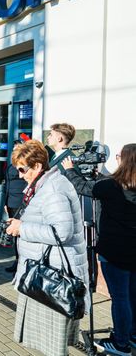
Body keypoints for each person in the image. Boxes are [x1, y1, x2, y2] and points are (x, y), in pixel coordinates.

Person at [6, 140, 89, 356]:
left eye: (22, 169)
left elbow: (62, 232)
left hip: (52, 277)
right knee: (48, 344)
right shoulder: (44, 184)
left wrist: (22, 228)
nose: (20, 175)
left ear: (37, 166)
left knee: (53, 346)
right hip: (45, 273)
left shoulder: (53, 189)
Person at [63, 144, 136, 355]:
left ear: (124, 160)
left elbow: (83, 188)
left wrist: (70, 170)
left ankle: (120, 344)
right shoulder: (112, 184)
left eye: (118, 156)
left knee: (120, 298)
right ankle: (132, 335)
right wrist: (97, 177)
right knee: (133, 296)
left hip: (114, 253)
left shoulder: (111, 186)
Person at [4, 139, 27, 272]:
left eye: (17, 148)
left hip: (20, 203)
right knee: (15, 236)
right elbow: (7, 185)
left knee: (20, 235)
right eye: (13, 149)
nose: (14, 151)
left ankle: (21, 263)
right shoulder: (12, 164)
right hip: (11, 202)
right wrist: (5, 202)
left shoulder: (25, 164)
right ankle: (17, 260)